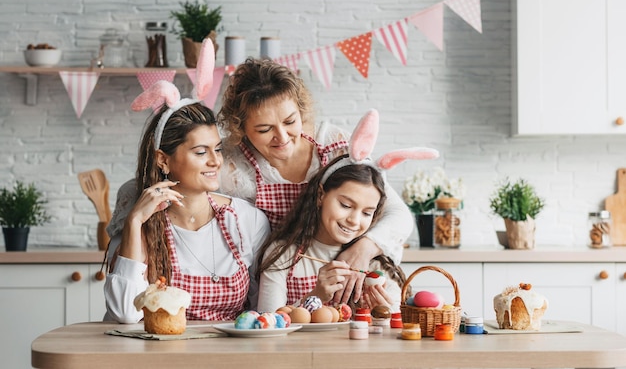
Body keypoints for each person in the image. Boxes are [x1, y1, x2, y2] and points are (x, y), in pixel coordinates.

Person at [217, 58, 433, 303]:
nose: (282, 137)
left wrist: (363, 249)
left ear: (301, 111)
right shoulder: (231, 164)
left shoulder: (332, 144)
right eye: (265, 129)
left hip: (348, 276)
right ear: (240, 128)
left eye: (290, 121)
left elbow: (396, 212)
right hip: (282, 287)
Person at [104, 40, 270, 323]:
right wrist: (134, 223)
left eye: (217, 149)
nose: (215, 161)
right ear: (163, 160)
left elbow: (259, 312)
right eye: (200, 152)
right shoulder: (139, 219)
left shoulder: (246, 221)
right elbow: (124, 313)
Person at [256, 154, 405, 313]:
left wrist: (382, 315)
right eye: (345, 205)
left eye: (367, 213)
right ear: (321, 195)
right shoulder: (283, 254)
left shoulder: (376, 264)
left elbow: (396, 328)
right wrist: (316, 296)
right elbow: (268, 322)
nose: (354, 220)